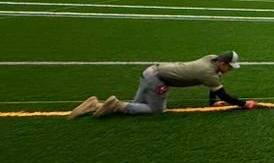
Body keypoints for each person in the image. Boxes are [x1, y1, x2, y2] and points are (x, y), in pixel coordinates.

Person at [68, 51, 257, 118]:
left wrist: (212, 103)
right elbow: (223, 93)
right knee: (155, 110)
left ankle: (94, 105)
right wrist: (244, 104)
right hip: (158, 80)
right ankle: (116, 105)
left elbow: (215, 83)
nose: (230, 70)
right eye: (230, 66)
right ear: (222, 63)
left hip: (150, 71)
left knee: (138, 106)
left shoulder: (210, 59)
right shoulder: (207, 73)